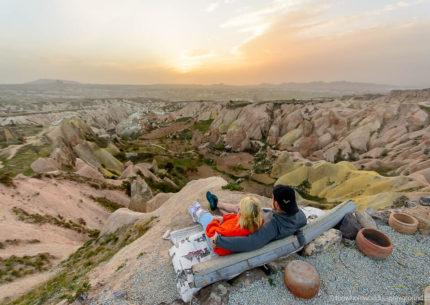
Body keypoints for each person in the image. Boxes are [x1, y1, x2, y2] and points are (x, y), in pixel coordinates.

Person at [210, 184, 307, 253]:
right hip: (263, 215)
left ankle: (218, 205)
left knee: (238, 210)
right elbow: (296, 226)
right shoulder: (300, 215)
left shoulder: (272, 226)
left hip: (253, 221)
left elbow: (250, 243)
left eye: (272, 198)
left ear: (276, 204)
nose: (271, 200)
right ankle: (218, 205)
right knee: (238, 210)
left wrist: (219, 241)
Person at [188, 196, 264, 256]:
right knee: (224, 216)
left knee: (207, 219)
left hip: (218, 246)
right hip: (226, 234)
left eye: (239, 208)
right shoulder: (256, 221)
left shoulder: (234, 231)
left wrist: (215, 221)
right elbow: (235, 217)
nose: (238, 207)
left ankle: (198, 214)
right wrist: (223, 218)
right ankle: (212, 208)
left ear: (242, 214)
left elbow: (212, 234)